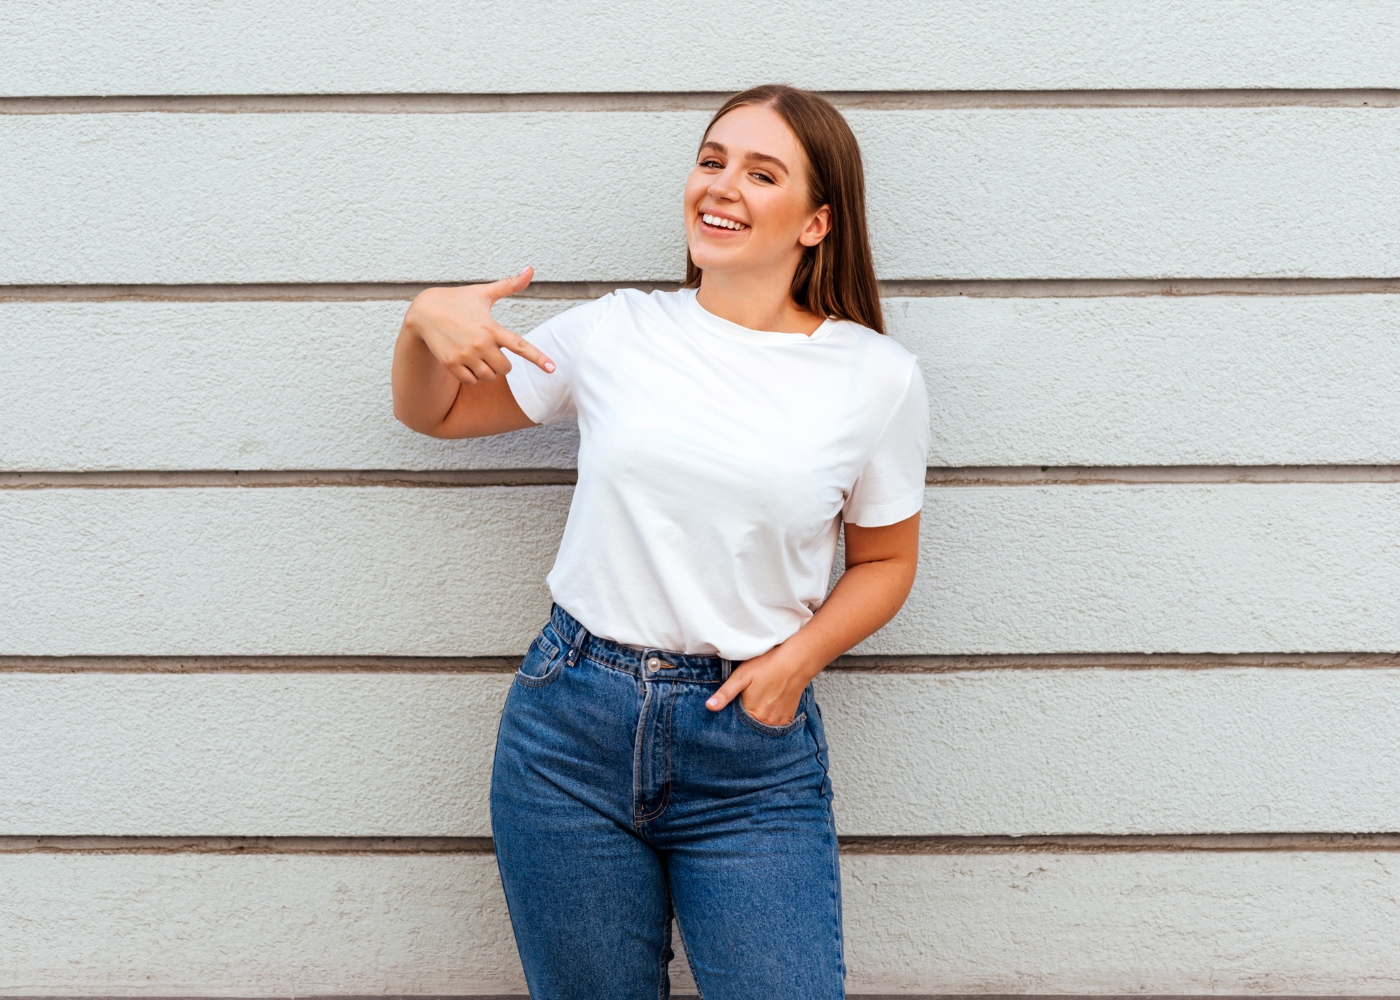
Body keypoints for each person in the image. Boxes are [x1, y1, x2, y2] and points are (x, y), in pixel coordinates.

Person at [391, 84, 928, 1000]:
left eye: (763, 173)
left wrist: (796, 661)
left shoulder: (874, 376)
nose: (722, 187)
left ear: (816, 221)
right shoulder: (617, 330)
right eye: (712, 160)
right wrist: (421, 321)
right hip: (569, 728)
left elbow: (885, 563)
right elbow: (432, 412)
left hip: (747, 750)